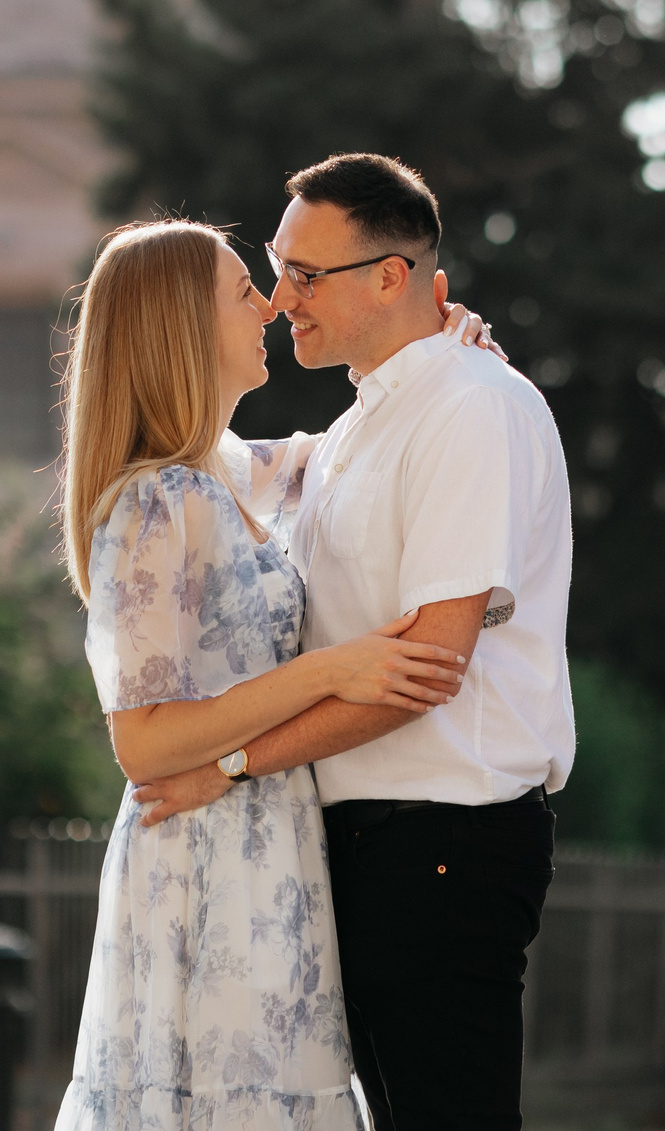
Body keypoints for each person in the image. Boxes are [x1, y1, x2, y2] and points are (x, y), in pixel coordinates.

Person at [130, 155, 575, 1131]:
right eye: (278, 270)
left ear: (389, 276)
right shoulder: (357, 430)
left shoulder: (470, 406)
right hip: (370, 843)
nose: (282, 296)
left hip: (444, 841)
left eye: (304, 274)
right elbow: (204, 464)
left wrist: (232, 766)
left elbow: (424, 671)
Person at [55, 217, 496, 1131]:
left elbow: (358, 447)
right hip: (204, 867)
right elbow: (142, 741)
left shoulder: (220, 475)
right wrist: (335, 671)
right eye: (240, 291)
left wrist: (435, 352)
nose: (269, 304)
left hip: (270, 852)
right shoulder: (154, 500)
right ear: (183, 324)